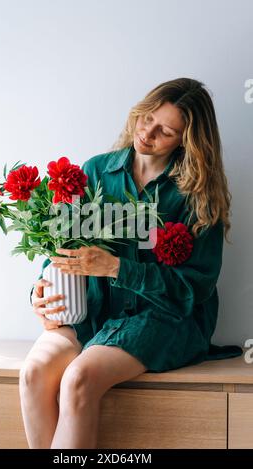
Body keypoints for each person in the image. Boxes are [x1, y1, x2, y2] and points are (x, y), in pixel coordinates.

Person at [19, 77, 243, 449]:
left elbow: (194, 288)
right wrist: (40, 293)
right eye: (146, 119)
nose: (147, 133)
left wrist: (116, 268)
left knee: (78, 379)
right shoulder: (94, 172)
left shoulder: (196, 195)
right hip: (92, 311)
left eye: (165, 131)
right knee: (33, 374)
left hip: (163, 319)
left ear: (186, 142)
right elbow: (59, 250)